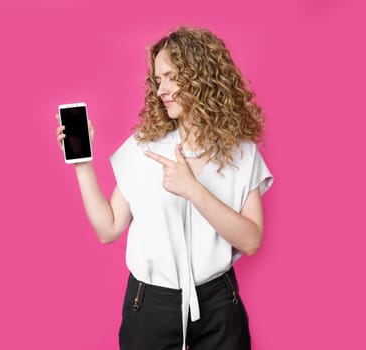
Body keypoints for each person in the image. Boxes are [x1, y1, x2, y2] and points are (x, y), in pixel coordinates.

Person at [55, 26, 273, 350]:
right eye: (158, 80)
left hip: (218, 306)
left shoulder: (241, 152)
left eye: (171, 77)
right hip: (150, 307)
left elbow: (252, 240)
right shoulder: (143, 148)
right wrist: (82, 166)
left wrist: (193, 189)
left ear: (200, 77)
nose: (161, 90)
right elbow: (108, 228)